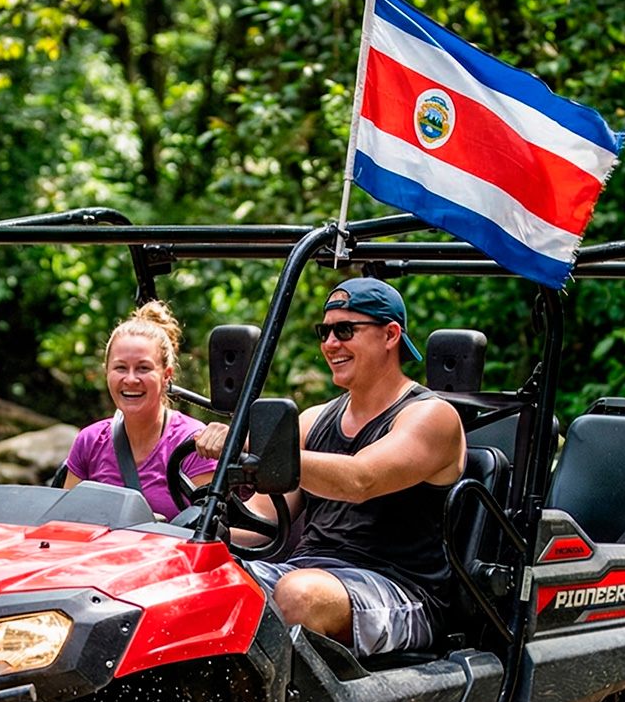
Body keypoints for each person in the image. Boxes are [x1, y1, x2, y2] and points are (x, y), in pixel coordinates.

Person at [197, 277, 466, 656]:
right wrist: (196, 534)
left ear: (390, 335)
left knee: (299, 596)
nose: (329, 344)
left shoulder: (431, 416)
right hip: (308, 570)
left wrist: (249, 444)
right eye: (324, 332)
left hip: (401, 589)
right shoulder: (313, 420)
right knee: (204, 584)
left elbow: (359, 479)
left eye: (345, 330)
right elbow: (263, 521)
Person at [61, 300, 217, 520]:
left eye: (143, 368)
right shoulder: (89, 441)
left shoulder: (193, 444)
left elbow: (209, 533)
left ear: (166, 375)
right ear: (107, 373)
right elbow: (65, 524)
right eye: (120, 368)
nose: (131, 379)